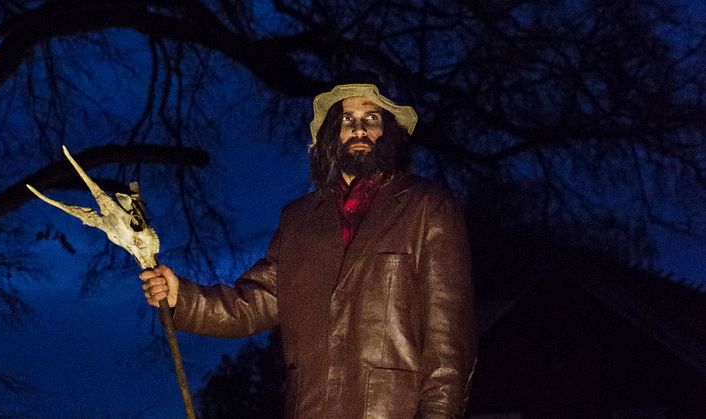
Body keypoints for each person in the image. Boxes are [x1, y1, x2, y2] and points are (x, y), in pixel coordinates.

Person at [141, 79, 477, 418]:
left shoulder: (428, 207)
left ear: (389, 132)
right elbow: (254, 303)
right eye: (347, 120)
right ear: (332, 134)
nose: (359, 128)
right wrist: (179, 297)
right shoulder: (299, 219)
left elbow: (449, 344)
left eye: (372, 118)